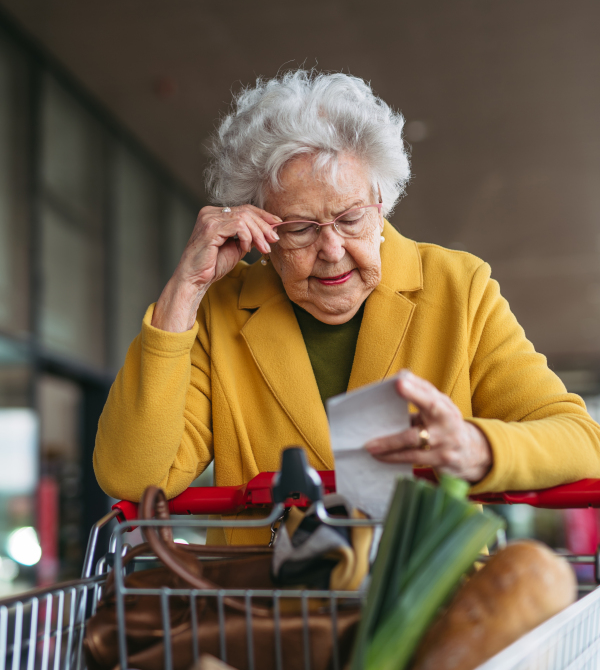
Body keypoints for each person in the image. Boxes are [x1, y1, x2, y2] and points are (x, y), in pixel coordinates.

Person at [94, 71, 600, 543]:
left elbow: (582, 442)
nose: (332, 250)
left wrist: (476, 448)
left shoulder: (458, 287)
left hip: (426, 613)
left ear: (381, 204)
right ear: (260, 229)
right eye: (299, 228)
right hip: (263, 620)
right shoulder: (219, 308)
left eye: (351, 219)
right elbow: (134, 477)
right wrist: (185, 289)